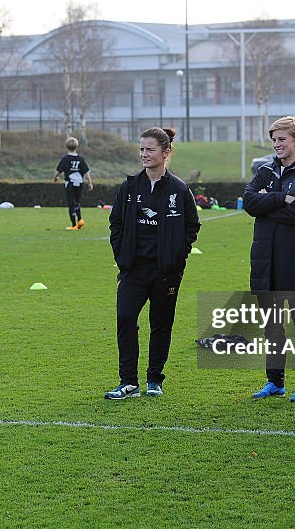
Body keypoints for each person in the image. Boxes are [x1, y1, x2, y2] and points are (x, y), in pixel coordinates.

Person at [106, 127, 200, 399]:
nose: (144, 155)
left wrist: (176, 257)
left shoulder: (179, 189)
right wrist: (121, 257)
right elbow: (116, 223)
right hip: (133, 270)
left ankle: (154, 379)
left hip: (165, 273)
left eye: (150, 149)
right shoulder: (129, 187)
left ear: (165, 152)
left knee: (161, 324)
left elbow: (192, 226)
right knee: (125, 319)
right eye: (141, 149)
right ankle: (128, 382)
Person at [242, 116, 295, 403]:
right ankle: (274, 381)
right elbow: (249, 203)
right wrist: (282, 198)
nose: (276, 144)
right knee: (272, 327)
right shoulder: (265, 170)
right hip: (266, 261)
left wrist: (269, 202)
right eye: (274, 139)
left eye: (282, 139)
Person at [54, 136, 94, 230]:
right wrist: (90, 183)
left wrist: (55, 178)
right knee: (76, 202)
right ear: (77, 146)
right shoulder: (81, 159)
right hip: (79, 183)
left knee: (71, 204)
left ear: (66, 147)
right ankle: (79, 220)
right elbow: (86, 172)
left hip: (70, 183)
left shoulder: (65, 159)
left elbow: (58, 171)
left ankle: (73, 225)